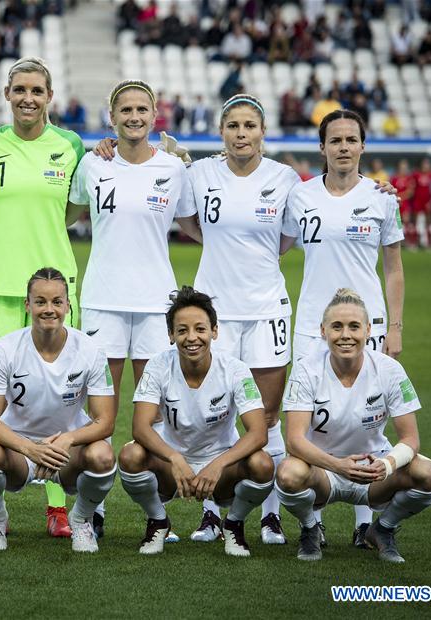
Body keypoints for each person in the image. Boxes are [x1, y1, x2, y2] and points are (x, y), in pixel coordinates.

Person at [0, 57, 87, 537]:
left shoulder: (72, 145)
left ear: (49, 96)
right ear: (6, 93)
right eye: (19, 89)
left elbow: (74, 210)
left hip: (54, 289)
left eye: (37, 90)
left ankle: (57, 505)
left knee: (62, 400)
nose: (28, 98)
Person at [180, 93, 301, 546]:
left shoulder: (284, 178)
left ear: (262, 133)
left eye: (249, 126)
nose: (241, 133)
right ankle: (212, 513)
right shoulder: (201, 173)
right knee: (218, 415)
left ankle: (269, 515)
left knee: (266, 415)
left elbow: (286, 241)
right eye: (233, 125)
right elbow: (192, 226)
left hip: (267, 309)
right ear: (221, 131)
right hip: (217, 314)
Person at [283, 109, 406, 546]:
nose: (343, 147)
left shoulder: (381, 198)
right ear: (322, 148)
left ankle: (362, 524)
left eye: (351, 140)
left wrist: (393, 327)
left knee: (365, 420)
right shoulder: (300, 196)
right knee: (313, 418)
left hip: (366, 324)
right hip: (311, 325)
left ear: (363, 146)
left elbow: (393, 269)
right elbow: (273, 245)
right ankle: (308, 523)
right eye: (334, 140)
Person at [277, 289, 431, 562]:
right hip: (323, 471)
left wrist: (387, 464)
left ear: (367, 330)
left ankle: (382, 529)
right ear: (322, 331)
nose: (345, 335)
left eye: (354, 327)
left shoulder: (389, 370)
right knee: (288, 473)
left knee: (429, 474)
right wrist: (338, 465)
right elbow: (294, 441)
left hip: (374, 470)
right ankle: (310, 529)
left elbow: (411, 440)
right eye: (337, 327)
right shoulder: (306, 370)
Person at [69, 79, 195, 419]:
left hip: (156, 302)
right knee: (98, 411)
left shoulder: (173, 168)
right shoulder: (93, 164)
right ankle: (92, 472)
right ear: (112, 117)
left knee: (154, 413)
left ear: (155, 116)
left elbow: (196, 227)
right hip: (102, 298)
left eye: (142, 109)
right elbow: (65, 214)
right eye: (126, 110)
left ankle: (151, 474)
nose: (134, 116)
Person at [119, 287, 273, 557]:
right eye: (182, 330)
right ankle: (158, 521)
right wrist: (175, 458)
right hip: (172, 466)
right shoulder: (157, 366)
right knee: (130, 455)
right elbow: (140, 428)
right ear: (171, 335)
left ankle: (233, 524)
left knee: (262, 464)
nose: (192, 338)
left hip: (222, 468)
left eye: (200, 329)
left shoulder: (235, 369)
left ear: (214, 331)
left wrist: (218, 464)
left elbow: (259, 433)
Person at [0, 268, 117, 553]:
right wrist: (29, 448)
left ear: (67, 305)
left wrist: (67, 440)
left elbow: (106, 421)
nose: (48, 309)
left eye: (56, 302)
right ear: (28, 305)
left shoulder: (89, 350)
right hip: (19, 452)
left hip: (67, 452)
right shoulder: (5, 349)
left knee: (102, 454)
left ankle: (82, 518)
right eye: (40, 302)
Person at [411, 158, 431, 249]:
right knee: (415, 223)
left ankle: (429, 243)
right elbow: (412, 187)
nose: (426, 166)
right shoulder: (415, 174)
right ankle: (414, 243)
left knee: (428, 223)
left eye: (428, 164)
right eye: (425, 164)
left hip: (427, 202)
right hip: (417, 201)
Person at [390, 159, 416, 246]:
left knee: (407, 222)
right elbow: (391, 190)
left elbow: (410, 192)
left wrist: (400, 197)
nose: (403, 169)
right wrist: (397, 198)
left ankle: (411, 243)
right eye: (402, 167)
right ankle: (398, 243)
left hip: (405, 204)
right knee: (397, 223)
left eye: (405, 167)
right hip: (396, 204)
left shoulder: (409, 178)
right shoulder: (394, 178)